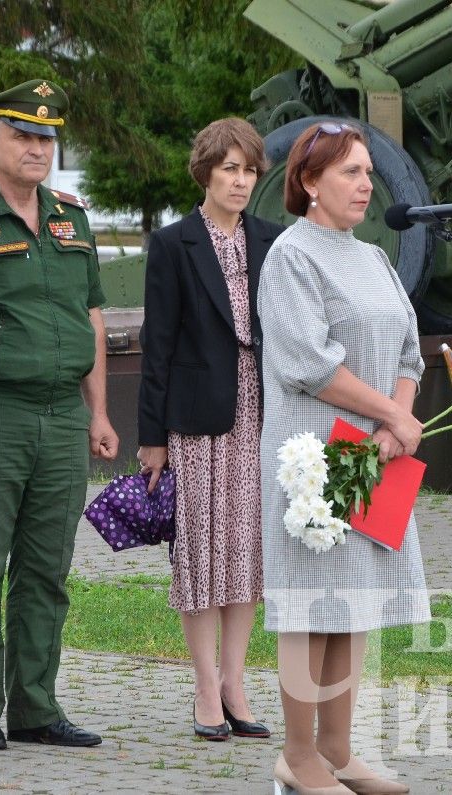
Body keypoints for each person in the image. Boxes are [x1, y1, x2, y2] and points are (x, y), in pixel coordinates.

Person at [0, 78, 119, 751]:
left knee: (48, 567)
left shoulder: (73, 217)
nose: (37, 146)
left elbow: (92, 316)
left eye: (46, 135)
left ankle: (37, 707)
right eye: (21, 133)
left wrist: (98, 410)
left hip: (62, 415)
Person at [257, 122, 429, 794]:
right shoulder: (293, 257)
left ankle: (336, 747)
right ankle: (297, 755)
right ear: (308, 183)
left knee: (353, 600)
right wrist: (391, 413)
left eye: (367, 172)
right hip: (316, 455)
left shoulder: (376, 258)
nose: (366, 184)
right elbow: (307, 362)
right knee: (309, 604)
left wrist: (397, 422)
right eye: (350, 173)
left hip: (376, 453)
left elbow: (410, 353)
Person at [137, 118, 285, 741]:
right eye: (230, 168)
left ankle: (235, 682)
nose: (241, 180)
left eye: (250, 170)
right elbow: (158, 346)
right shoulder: (174, 244)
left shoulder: (274, 240)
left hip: (259, 412)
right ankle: (203, 686)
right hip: (196, 422)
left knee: (246, 553)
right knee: (201, 553)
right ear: (206, 171)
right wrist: (152, 437)